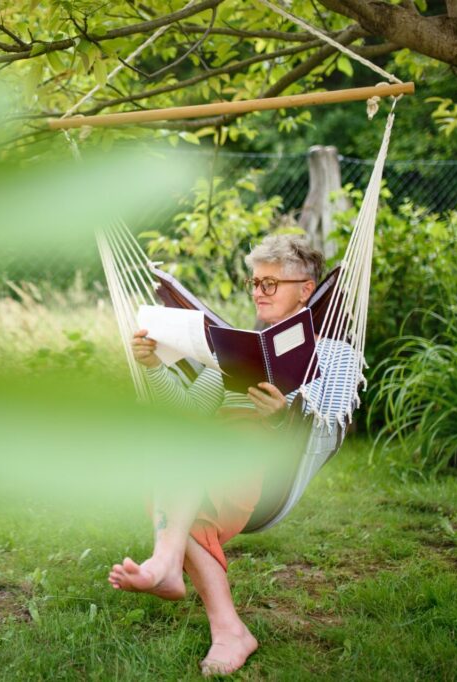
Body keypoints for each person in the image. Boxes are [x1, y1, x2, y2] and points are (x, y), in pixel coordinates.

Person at [107, 234, 358, 676]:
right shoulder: (235, 349)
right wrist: (153, 368)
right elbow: (189, 408)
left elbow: (326, 426)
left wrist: (283, 416)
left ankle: (166, 562)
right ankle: (228, 630)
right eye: (255, 282)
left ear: (304, 289)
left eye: (271, 284)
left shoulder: (332, 353)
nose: (259, 292)